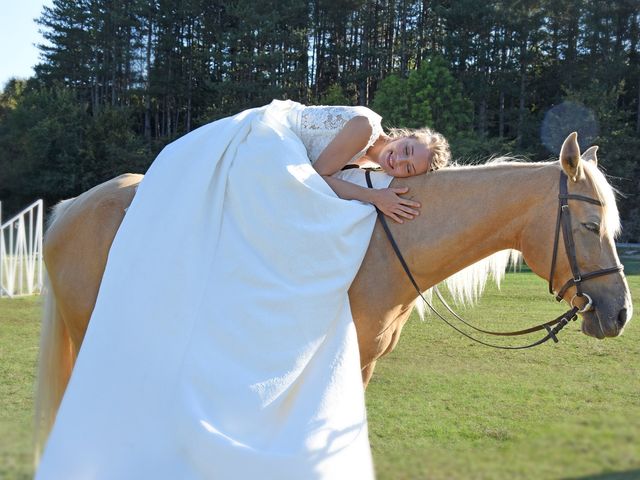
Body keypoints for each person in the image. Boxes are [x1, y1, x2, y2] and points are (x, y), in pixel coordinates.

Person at [36, 100, 449, 480]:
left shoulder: (369, 167)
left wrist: (370, 193)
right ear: (407, 134)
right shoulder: (364, 128)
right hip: (271, 139)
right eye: (409, 149)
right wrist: (373, 199)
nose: (402, 160)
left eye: (409, 168)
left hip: (295, 160)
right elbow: (320, 177)